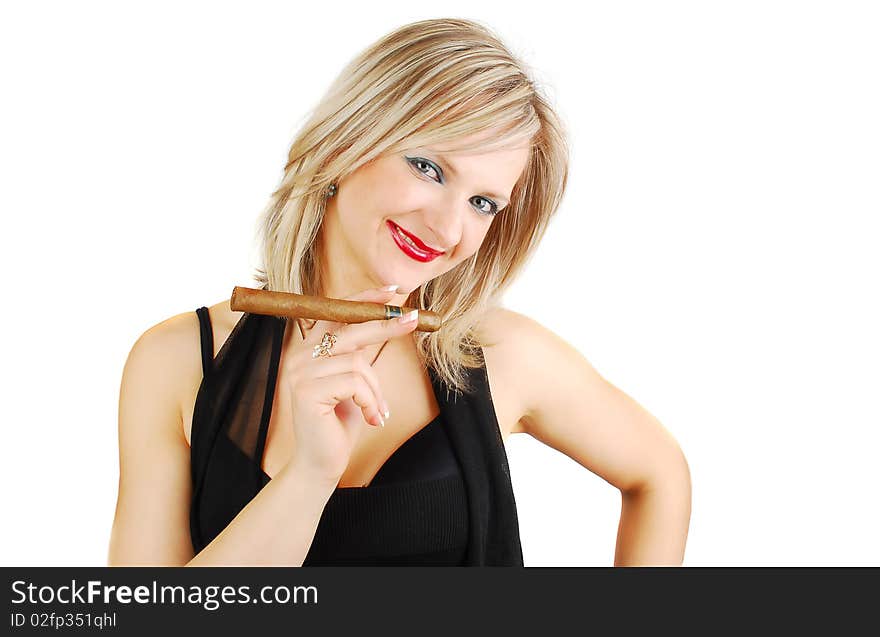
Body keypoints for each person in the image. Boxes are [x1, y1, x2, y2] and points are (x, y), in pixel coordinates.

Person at [108, 18, 691, 567]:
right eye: (428, 168)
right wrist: (310, 475)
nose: (447, 228)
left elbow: (659, 474)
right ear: (346, 144)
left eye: (482, 203)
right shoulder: (177, 361)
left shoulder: (499, 355)